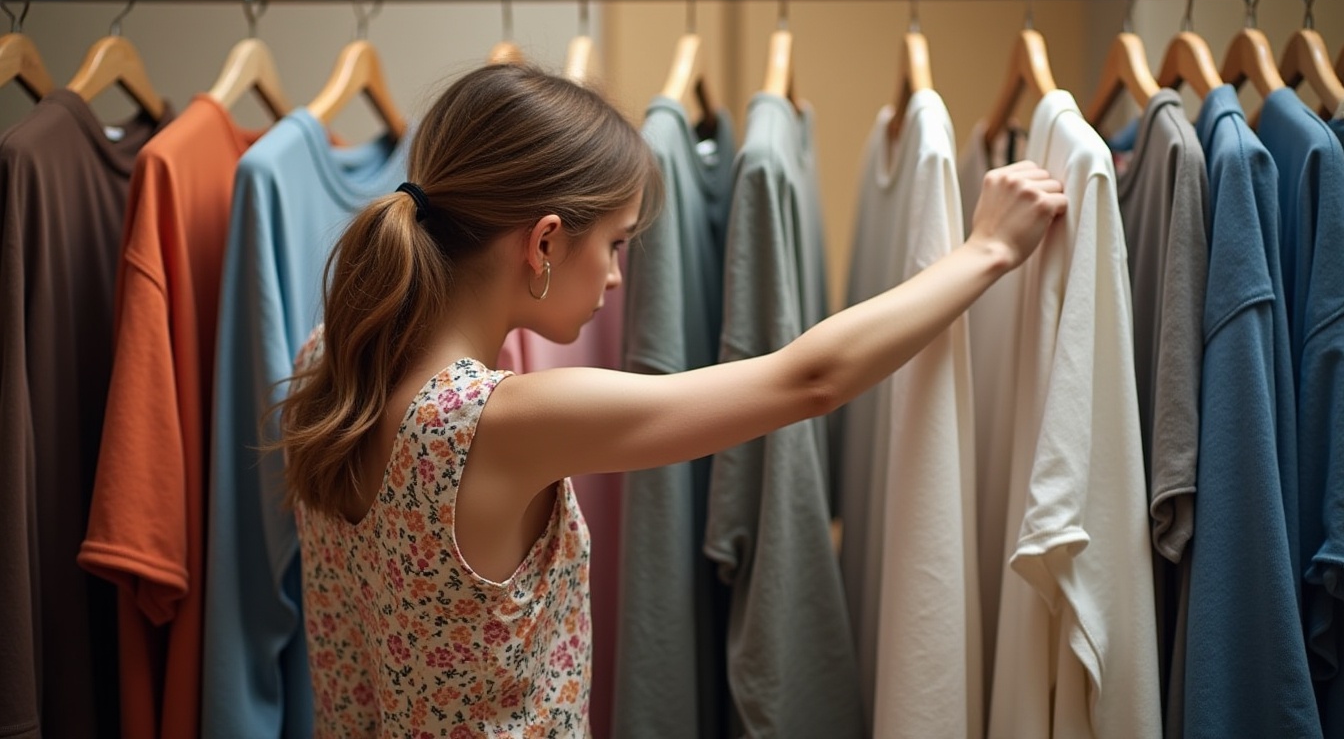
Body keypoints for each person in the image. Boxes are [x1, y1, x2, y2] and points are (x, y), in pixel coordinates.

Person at [276, 62, 1067, 738]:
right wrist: (988, 250)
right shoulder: (490, 423)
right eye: (615, 243)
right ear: (545, 242)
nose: (618, 278)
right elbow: (807, 380)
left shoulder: (334, 362)